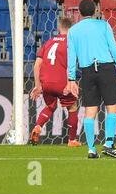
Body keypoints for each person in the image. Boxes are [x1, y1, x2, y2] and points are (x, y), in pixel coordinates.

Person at [64, 0, 116, 159]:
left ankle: (91, 149)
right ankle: (108, 144)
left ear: (79, 13)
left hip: (87, 71)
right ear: (95, 11)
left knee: (90, 111)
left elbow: (71, 56)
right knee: (111, 107)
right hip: (106, 68)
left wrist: (71, 78)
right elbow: (114, 48)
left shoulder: (73, 31)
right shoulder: (104, 25)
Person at [29, 17, 80, 147]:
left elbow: (36, 65)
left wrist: (38, 85)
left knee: (51, 106)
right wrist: (70, 81)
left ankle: (38, 127)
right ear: (72, 29)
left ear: (59, 28)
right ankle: (72, 140)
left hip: (46, 82)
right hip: (62, 83)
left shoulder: (49, 42)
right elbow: (71, 64)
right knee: (72, 107)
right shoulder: (71, 43)